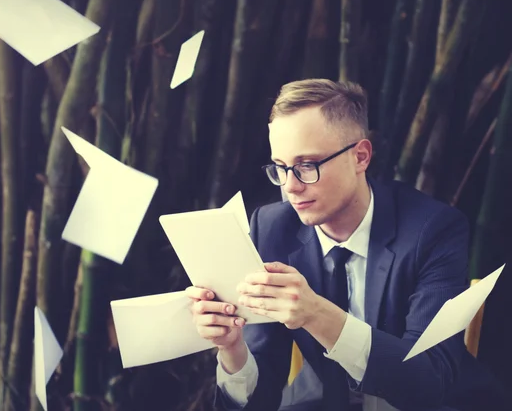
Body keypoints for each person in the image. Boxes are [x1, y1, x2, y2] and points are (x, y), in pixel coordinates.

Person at [186, 79, 507, 411]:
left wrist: (317, 314)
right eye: (280, 168)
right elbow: (261, 396)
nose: (290, 187)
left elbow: (429, 382)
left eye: (306, 166)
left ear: (361, 156)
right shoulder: (271, 228)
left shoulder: (433, 229)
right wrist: (232, 349)